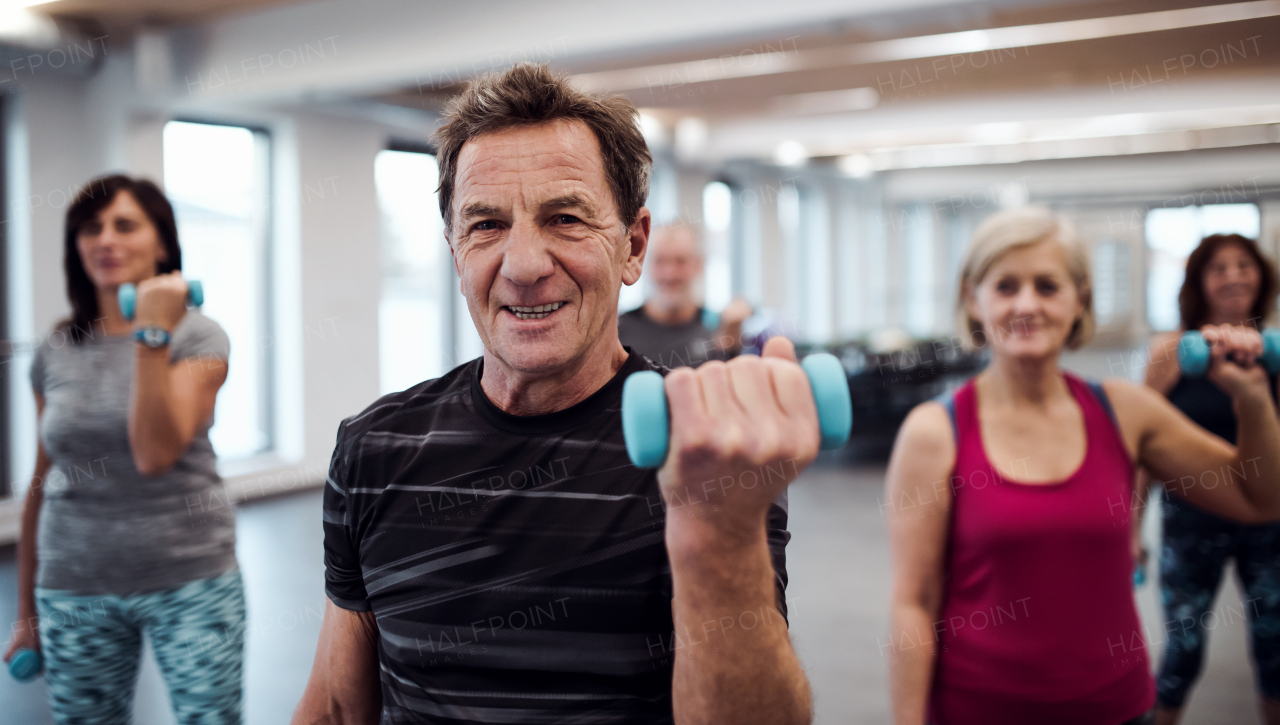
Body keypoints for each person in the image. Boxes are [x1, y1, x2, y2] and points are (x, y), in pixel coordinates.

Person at [291, 63, 818, 725]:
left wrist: (716, 534)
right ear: (455, 251)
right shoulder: (376, 446)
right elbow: (339, 708)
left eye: (565, 218)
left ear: (633, 246)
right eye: (485, 225)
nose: (524, 265)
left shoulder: (699, 448)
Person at [885, 206, 1280, 725]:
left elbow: (1260, 498)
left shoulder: (1126, 412)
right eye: (1006, 286)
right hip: (979, 711)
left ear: (1080, 299)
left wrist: (1252, 399)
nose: (1026, 304)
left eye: (1047, 286)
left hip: (1117, 709)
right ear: (972, 298)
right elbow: (914, 601)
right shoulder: (934, 432)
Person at [2, 175, 243, 723]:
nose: (105, 239)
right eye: (91, 228)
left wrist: (152, 332)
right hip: (74, 584)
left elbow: (153, 453)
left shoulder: (199, 337)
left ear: (162, 243)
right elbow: (45, 479)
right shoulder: (55, 351)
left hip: (191, 580)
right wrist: (25, 611)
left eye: (125, 225)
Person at [1138, 233, 1280, 725]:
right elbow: (1141, 451)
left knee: (1276, 651)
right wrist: (1130, 531)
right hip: (1190, 522)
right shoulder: (1172, 353)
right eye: (1219, 268)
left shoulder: (1275, 352)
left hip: (1271, 528)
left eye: (1244, 264)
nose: (1234, 275)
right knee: (1182, 649)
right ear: (1200, 282)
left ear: (1261, 277)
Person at [617, 222, 752, 367]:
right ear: (645, 265)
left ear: (698, 265)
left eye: (680, 262)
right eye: (660, 261)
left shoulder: (720, 331)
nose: (670, 274)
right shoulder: (618, 331)